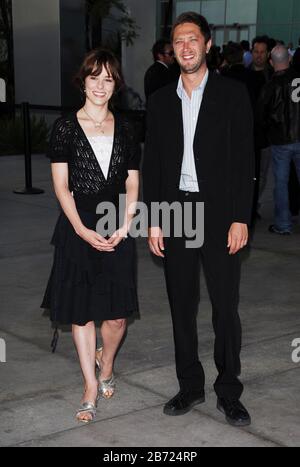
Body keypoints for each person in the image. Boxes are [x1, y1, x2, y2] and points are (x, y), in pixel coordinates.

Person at [143, 12, 254, 427]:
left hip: (221, 213)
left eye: (193, 39)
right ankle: (190, 385)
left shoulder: (232, 94)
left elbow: (245, 160)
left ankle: (229, 390)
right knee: (181, 305)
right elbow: (151, 162)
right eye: (178, 41)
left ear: (208, 44)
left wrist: (241, 216)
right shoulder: (159, 100)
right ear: (172, 50)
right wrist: (154, 218)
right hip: (176, 212)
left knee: (225, 306)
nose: (185, 47)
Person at [41, 49, 140, 423]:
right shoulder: (65, 127)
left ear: (116, 85)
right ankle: (90, 386)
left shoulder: (127, 129)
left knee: (116, 318)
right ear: (82, 81)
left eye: (108, 78)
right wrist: (81, 230)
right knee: (81, 314)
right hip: (76, 224)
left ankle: (107, 362)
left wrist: (125, 224)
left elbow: (132, 183)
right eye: (94, 77)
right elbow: (62, 187)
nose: (100, 85)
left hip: (116, 224)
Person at [258, 45, 300, 234]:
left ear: (271, 61)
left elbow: (261, 115)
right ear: (289, 59)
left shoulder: (269, 86)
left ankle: (283, 224)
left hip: (280, 141)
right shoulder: (298, 80)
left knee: (281, 184)